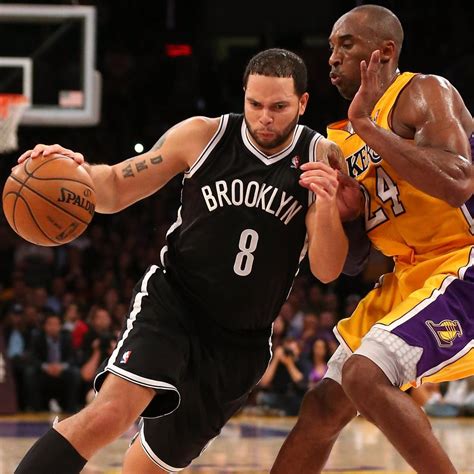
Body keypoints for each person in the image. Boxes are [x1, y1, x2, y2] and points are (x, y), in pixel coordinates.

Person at [15, 48, 362, 473]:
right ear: (243, 94)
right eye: (254, 104)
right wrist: (76, 171)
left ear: (302, 103)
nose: (264, 118)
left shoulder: (321, 156)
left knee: (148, 467)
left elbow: (327, 269)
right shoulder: (202, 136)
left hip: (241, 341)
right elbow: (116, 187)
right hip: (176, 304)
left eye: (278, 107)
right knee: (109, 414)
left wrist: (326, 205)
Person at [271, 5, 473, 474]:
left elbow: (459, 181)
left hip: (462, 263)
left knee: (365, 374)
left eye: (346, 44)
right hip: (408, 277)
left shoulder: (423, 92)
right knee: (323, 405)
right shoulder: (340, 140)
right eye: (331, 47)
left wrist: (368, 127)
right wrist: (346, 215)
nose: (332, 57)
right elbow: (353, 261)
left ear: (383, 52)